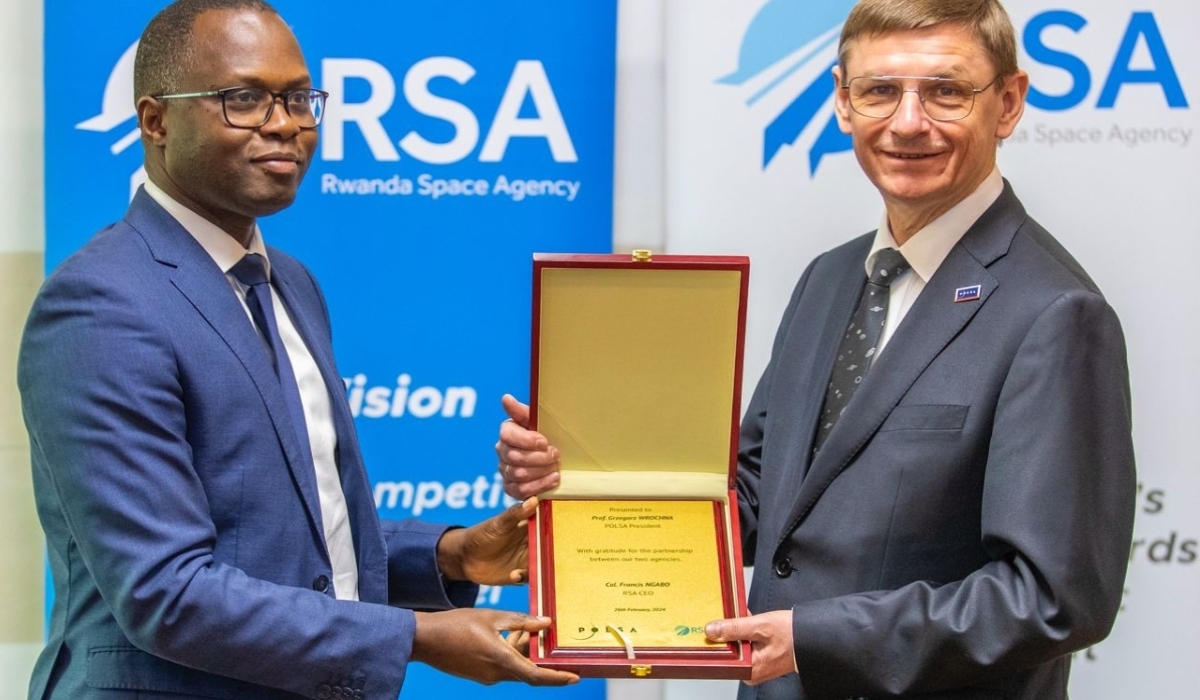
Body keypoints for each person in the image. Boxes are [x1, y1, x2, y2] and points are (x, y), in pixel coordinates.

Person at [497, 0, 1137, 698]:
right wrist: (581, 481)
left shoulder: (1056, 314)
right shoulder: (832, 278)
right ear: (842, 100)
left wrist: (812, 637)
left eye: (946, 91)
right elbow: (751, 499)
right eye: (880, 90)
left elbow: (1051, 597)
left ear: (1008, 103)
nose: (908, 122)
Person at [18, 1, 579, 698]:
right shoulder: (101, 305)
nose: (283, 122)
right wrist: (417, 637)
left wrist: (454, 554)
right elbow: (165, 593)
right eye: (243, 99)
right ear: (155, 120)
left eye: (296, 98)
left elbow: (302, 537)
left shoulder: (292, 283)